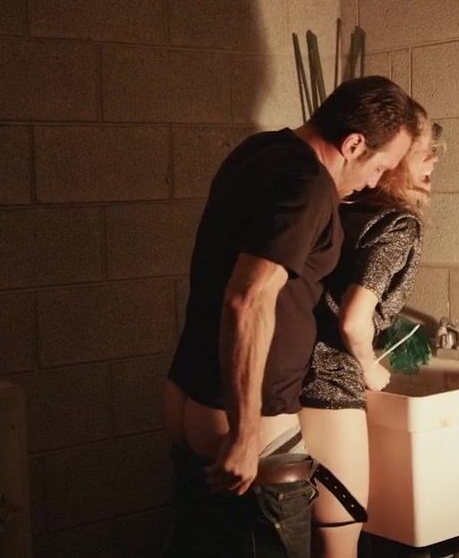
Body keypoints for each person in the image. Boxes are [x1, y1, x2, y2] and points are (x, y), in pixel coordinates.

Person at [163, 76, 423, 557]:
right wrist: (246, 433)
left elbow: (216, 275)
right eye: (379, 166)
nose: (373, 182)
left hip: (192, 389)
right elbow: (247, 299)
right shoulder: (309, 185)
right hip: (245, 417)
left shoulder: (258, 152)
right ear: (353, 144)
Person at [299, 116, 442, 557]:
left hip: (284, 378)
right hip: (329, 388)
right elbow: (352, 321)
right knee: (339, 537)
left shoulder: (338, 207)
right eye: (425, 153)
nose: (434, 162)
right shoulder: (398, 224)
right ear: (393, 160)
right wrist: (369, 365)